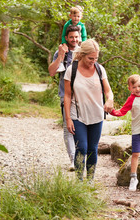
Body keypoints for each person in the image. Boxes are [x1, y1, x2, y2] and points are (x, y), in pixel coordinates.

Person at [64, 39, 114, 181]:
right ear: (82, 55)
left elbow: (108, 91)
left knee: (92, 149)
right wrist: (68, 118)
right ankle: (79, 181)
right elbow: (67, 96)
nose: (93, 61)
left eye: (96, 58)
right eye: (90, 58)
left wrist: (110, 99)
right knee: (82, 148)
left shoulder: (99, 69)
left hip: (96, 115)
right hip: (77, 116)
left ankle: (90, 180)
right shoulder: (71, 70)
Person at [48, 25, 82, 171]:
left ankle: (82, 156)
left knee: (82, 126)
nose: (74, 39)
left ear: (79, 38)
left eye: (76, 37)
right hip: (65, 95)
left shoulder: (84, 52)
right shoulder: (60, 52)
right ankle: (73, 160)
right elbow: (51, 72)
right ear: (66, 38)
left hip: (82, 96)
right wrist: (61, 55)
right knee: (68, 128)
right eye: (71, 37)